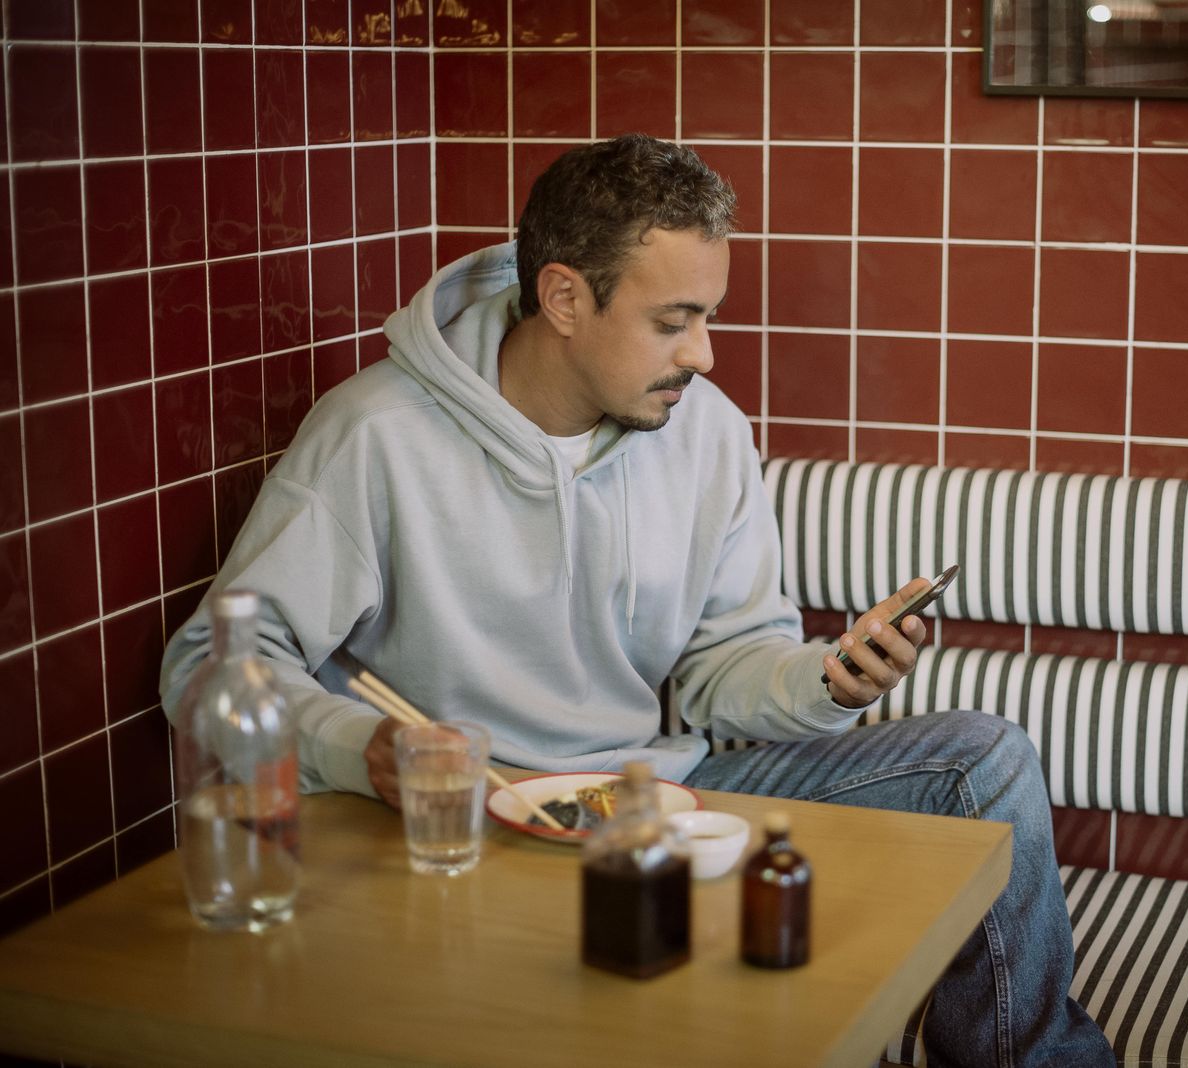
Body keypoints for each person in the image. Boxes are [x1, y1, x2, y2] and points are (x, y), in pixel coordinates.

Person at [160, 134, 1114, 1067]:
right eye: (673, 321)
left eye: (709, 316)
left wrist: (828, 681)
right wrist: (357, 748)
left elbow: (718, 667)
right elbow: (207, 662)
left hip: (648, 801)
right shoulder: (375, 437)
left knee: (983, 761)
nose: (702, 354)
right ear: (565, 297)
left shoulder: (709, 437)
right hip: (467, 825)